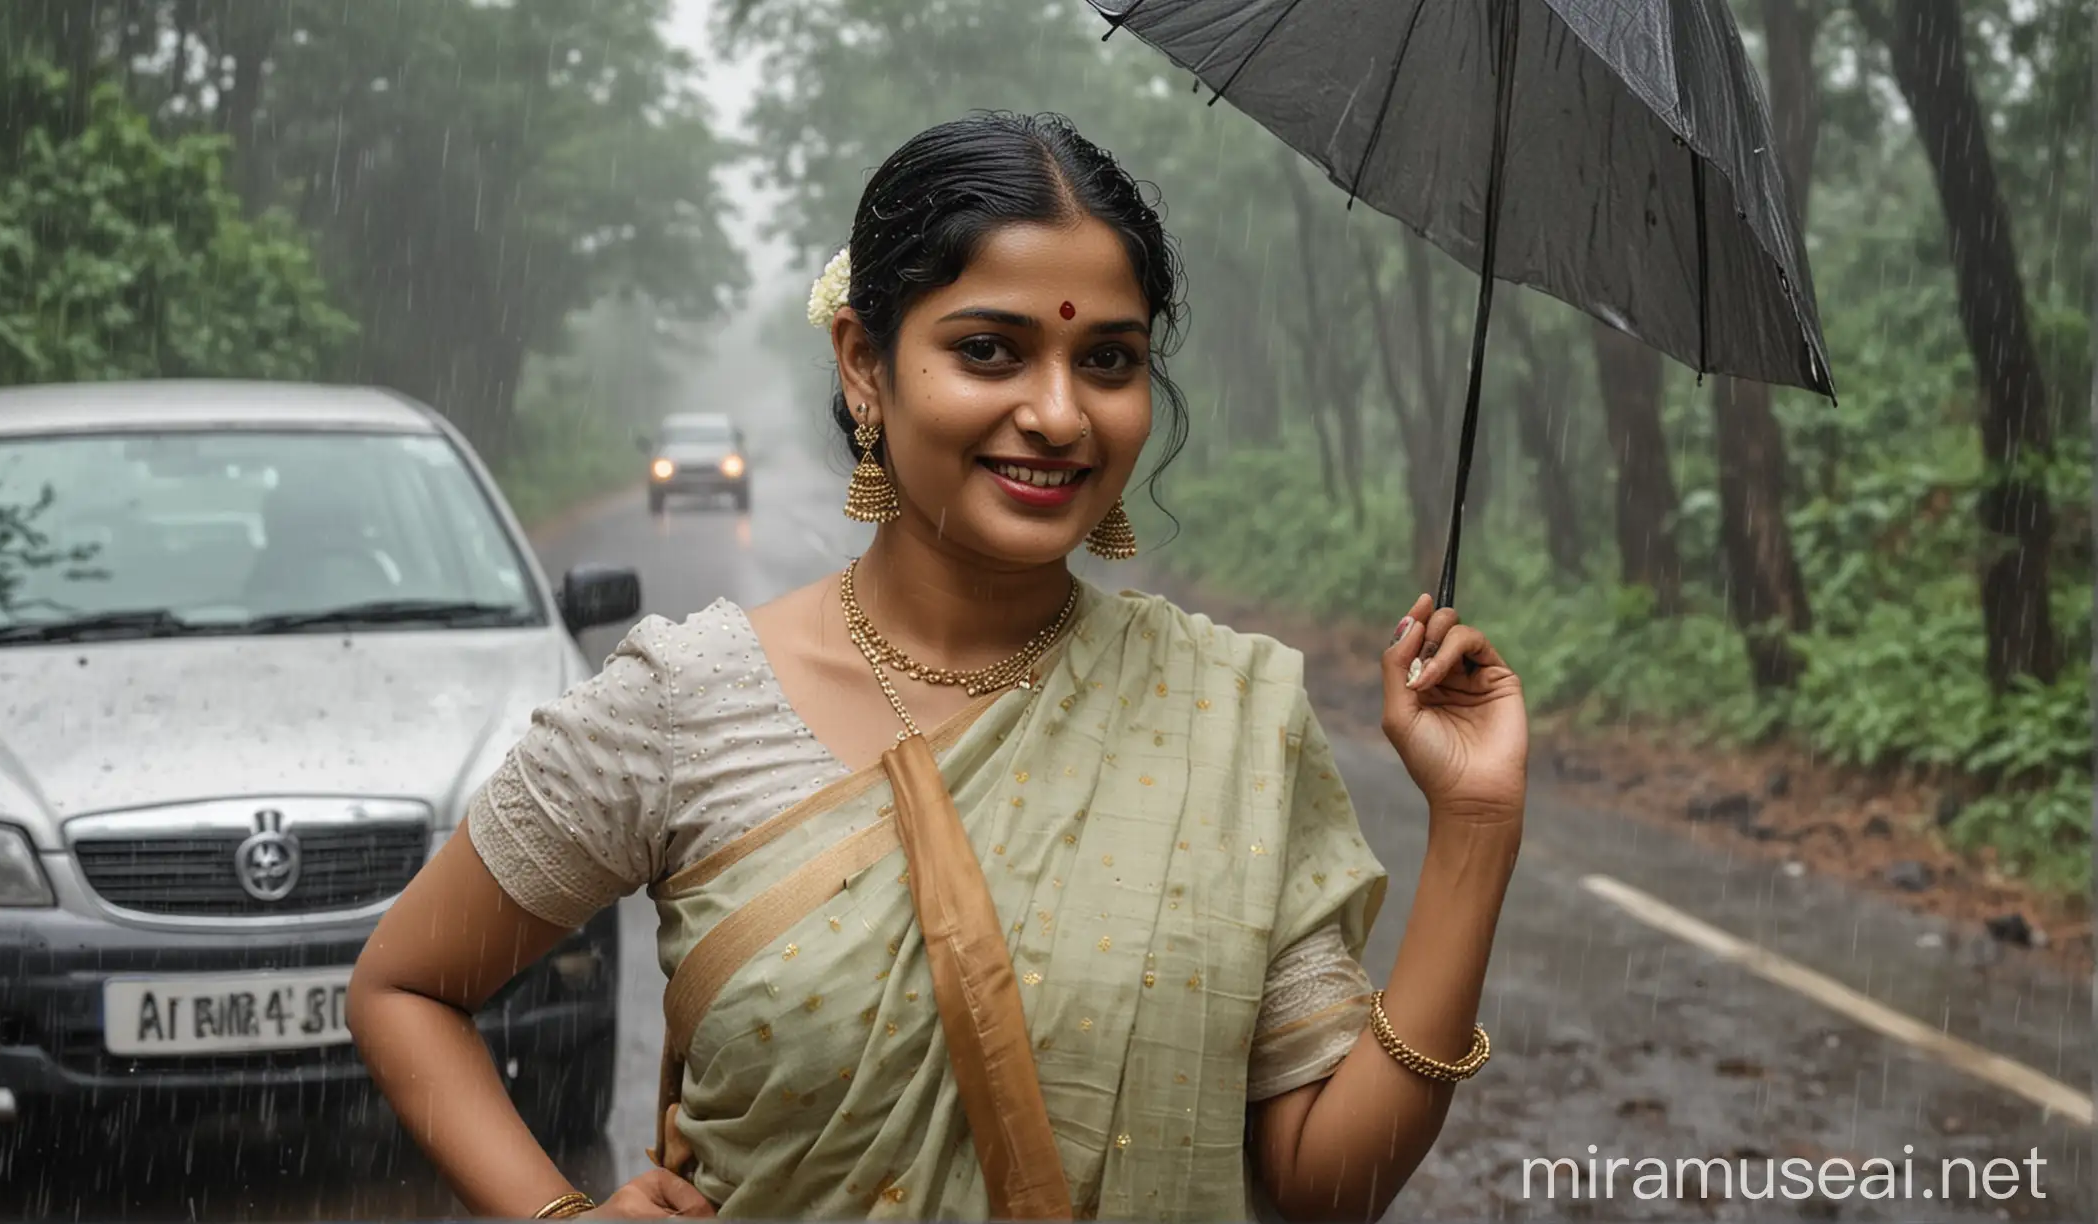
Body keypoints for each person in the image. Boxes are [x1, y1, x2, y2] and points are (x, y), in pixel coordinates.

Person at [349, 111, 1528, 1222]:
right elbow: (404, 989)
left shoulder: (1229, 711)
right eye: (990, 351)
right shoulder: (686, 702)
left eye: (1108, 360)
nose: (1060, 414)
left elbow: (1328, 1184)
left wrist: (1473, 827)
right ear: (865, 360)